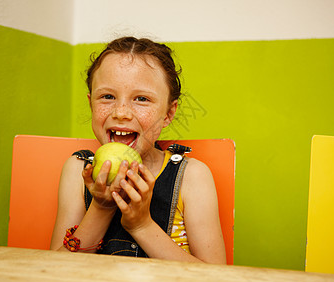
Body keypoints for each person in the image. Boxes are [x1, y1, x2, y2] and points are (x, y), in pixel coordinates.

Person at [50, 36, 226, 264]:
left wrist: (141, 225)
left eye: (141, 99)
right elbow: (56, 269)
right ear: (91, 103)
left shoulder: (191, 177)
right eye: (107, 97)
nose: (121, 112)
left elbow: (215, 279)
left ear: (169, 114)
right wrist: (101, 208)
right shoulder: (77, 171)